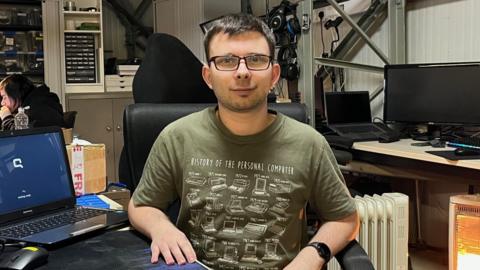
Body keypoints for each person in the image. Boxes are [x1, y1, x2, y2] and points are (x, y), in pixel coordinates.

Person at [129, 13, 359, 269]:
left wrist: (312, 255)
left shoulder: (309, 144)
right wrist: (161, 227)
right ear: (208, 76)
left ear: (274, 75)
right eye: (227, 61)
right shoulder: (177, 138)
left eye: (255, 60)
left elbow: (345, 218)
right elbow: (141, 206)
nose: (242, 72)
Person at [0, 75, 65, 130]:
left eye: (4, 97)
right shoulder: (37, 101)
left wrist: (6, 118)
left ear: (16, 94)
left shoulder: (38, 108)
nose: (2, 103)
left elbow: (20, 137)